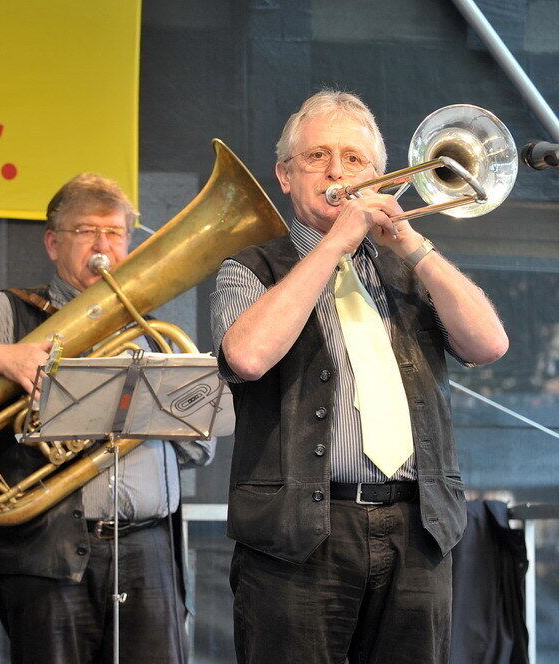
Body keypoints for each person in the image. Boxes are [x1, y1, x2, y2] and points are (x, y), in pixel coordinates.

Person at [210, 90, 509, 663]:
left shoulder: (409, 266)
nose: (336, 172)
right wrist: (336, 244)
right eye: (317, 156)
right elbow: (247, 356)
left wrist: (412, 243)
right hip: (297, 539)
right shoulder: (250, 269)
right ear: (285, 175)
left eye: (354, 160)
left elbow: (489, 343)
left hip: (416, 530)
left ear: (384, 178)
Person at [0, 173, 215, 663]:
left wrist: (156, 411)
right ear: (54, 243)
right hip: (47, 557)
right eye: (86, 232)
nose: (103, 246)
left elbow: (201, 448)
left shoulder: (154, 330)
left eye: (115, 232)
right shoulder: (9, 311)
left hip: (149, 551)